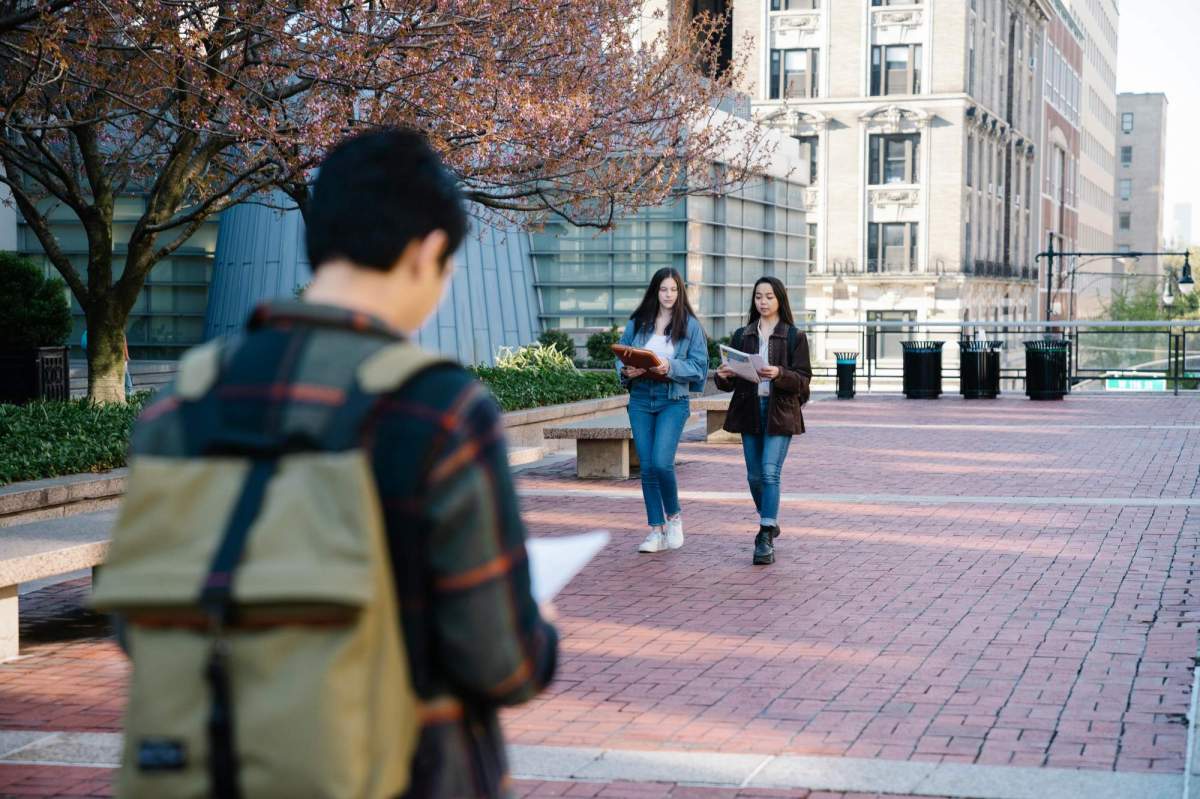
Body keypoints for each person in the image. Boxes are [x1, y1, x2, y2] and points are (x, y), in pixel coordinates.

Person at [116, 129, 557, 798]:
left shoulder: (182, 402)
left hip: (210, 769)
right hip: (409, 771)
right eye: (449, 266)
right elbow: (501, 661)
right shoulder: (439, 410)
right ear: (427, 252)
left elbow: (139, 620)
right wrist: (542, 626)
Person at [714, 276, 812, 566]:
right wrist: (723, 375)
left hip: (779, 410)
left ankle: (765, 533)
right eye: (759, 297)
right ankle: (769, 519)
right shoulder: (742, 335)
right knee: (754, 476)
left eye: (769, 296)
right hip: (749, 410)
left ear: (779, 299)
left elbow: (804, 381)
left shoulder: (794, 336)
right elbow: (728, 384)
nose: (764, 302)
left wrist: (779, 374)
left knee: (770, 472)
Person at [615, 267, 708, 554]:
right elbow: (622, 355)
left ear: (680, 293)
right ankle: (656, 530)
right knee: (646, 467)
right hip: (641, 398)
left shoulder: (690, 326)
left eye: (673, 290)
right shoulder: (638, 322)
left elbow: (699, 367)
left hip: (672, 400)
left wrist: (670, 366)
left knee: (661, 462)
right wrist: (627, 370)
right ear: (655, 291)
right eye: (663, 289)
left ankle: (675, 517)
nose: (668, 295)